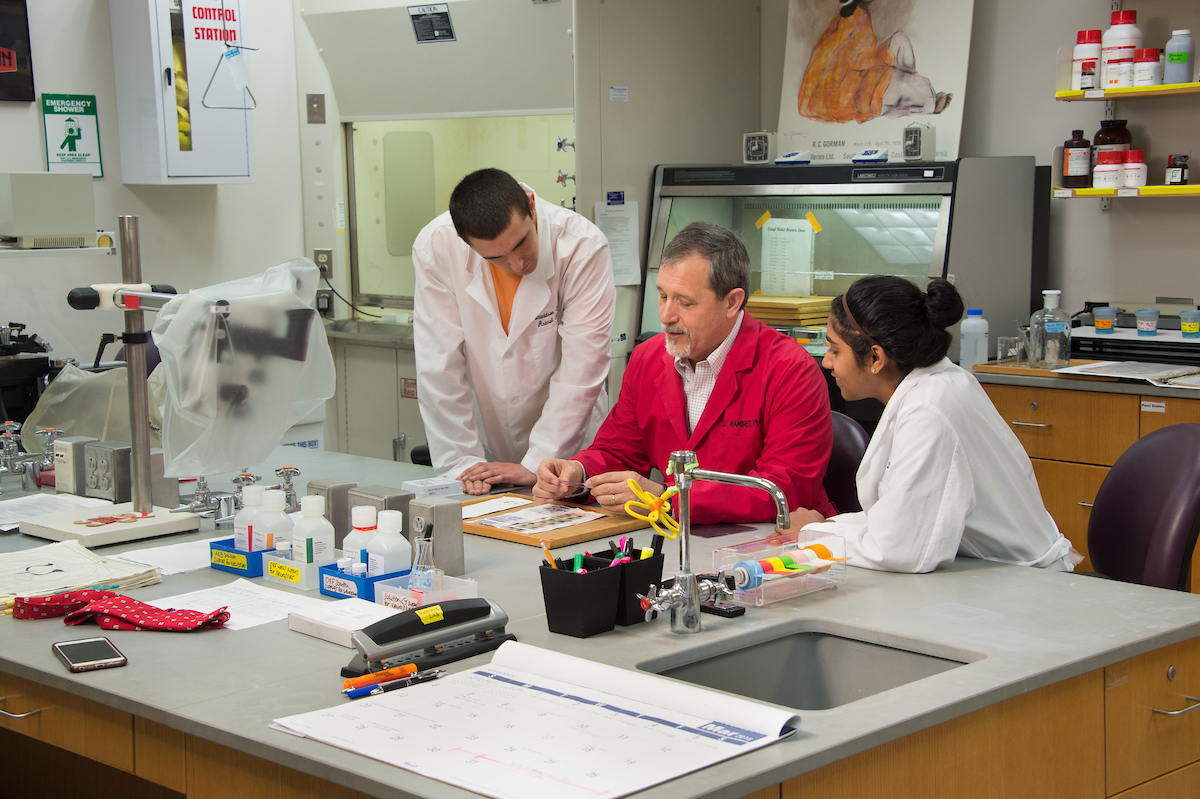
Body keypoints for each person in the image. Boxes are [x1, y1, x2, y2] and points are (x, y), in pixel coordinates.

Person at [534, 221, 837, 524]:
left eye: (685, 302)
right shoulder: (648, 358)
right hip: (680, 539)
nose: (666, 316)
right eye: (663, 295)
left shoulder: (791, 371)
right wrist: (577, 475)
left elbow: (782, 488)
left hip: (775, 543)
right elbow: (619, 450)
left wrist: (667, 499)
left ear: (732, 302)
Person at [798, 275, 1076, 573]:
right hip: (984, 572)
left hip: (1017, 585)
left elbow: (898, 549)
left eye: (835, 350)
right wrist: (826, 526)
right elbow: (899, 517)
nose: (827, 362)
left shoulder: (928, 410)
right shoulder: (935, 385)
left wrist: (816, 534)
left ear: (876, 357)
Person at [412, 168, 616, 495]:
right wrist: (463, 468)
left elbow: (582, 368)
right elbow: (440, 368)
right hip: (490, 451)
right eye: (497, 258)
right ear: (465, 244)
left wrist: (537, 462)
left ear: (532, 206)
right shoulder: (436, 247)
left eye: (522, 242)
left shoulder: (582, 246)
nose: (518, 262)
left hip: (568, 448)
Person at [797, 0, 951, 124]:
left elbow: (865, 56)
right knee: (903, 84)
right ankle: (926, 103)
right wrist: (884, 60)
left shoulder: (852, 18)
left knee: (896, 41)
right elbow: (859, 63)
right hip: (862, 89)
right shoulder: (857, 19)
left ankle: (922, 99)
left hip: (866, 79)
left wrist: (884, 58)